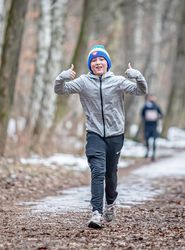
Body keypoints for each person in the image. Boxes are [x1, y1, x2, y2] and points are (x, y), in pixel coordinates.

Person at [54, 45, 148, 228]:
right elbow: (60, 90)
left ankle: (110, 203)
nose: (98, 62)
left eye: (101, 59)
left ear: (107, 63)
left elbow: (141, 91)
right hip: (94, 133)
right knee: (98, 171)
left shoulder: (118, 81)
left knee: (110, 173)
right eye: (94, 60)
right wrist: (61, 77)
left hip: (116, 134)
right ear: (90, 65)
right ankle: (96, 212)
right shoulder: (83, 82)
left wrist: (137, 76)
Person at [141, 94, 163, 161]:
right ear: (148, 98)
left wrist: (157, 117)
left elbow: (161, 115)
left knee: (154, 141)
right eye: (151, 97)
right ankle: (147, 153)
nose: (152, 99)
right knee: (147, 140)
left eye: (154, 97)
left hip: (154, 126)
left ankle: (153, 154)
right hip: (147, 125)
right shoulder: (145, 106)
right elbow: (142, 114)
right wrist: (146, 117)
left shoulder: (157, 106)